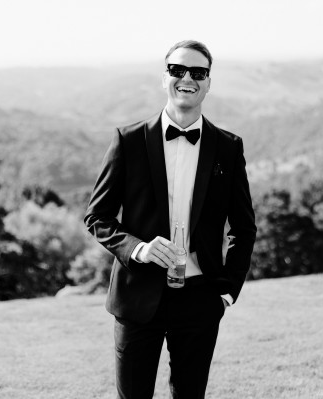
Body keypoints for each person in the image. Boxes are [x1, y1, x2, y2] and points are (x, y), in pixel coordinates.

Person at [82, 40, 257, 398]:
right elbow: (97, 216)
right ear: (165, 79)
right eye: (177, 70)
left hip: (200, 299)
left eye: (198, 72)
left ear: (208, 82)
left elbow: (244, 227)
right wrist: (138, 249)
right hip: (136, 297)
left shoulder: (228, 147)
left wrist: (226, 292)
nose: (186, 78)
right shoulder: (127, 141)